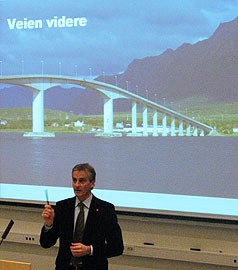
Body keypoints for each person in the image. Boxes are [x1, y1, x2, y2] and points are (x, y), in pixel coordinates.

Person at [40, 163, 124, 270]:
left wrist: (89, 250)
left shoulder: (105, 210)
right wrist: (49, 224)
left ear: (92, 183)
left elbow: (117, 247)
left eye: (82, 181)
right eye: (74, 180)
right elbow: (46, 243)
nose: (77, 185)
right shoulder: (63, 207)